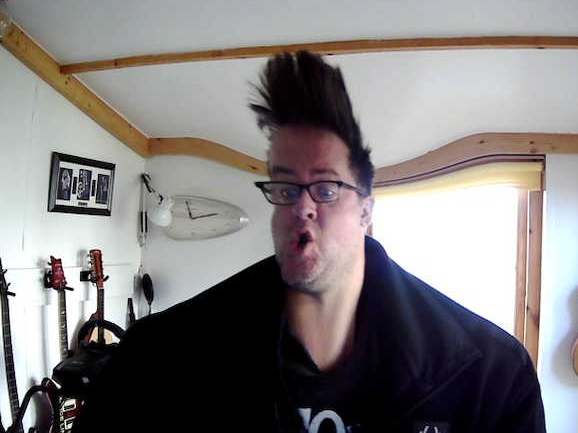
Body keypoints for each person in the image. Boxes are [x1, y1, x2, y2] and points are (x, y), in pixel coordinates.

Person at [73, 50, 546, 432]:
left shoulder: (491, 376)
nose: (302, 206)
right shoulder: (158, 359)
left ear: (366, 211)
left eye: (326, 188)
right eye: (285, 188)